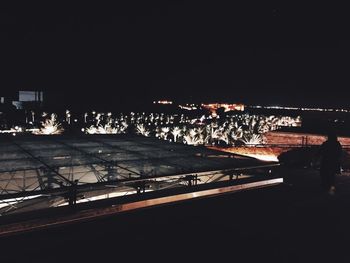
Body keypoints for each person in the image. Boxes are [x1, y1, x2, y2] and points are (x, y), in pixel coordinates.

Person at [319, 130, 342, 194]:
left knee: (324, 173)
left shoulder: (326, 143)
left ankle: (326, 185)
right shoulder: (337, 144)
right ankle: (330, 185)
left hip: (326, 160)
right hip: (333, 161)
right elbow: (339, 152)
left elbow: (320, 151)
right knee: (331, 174)